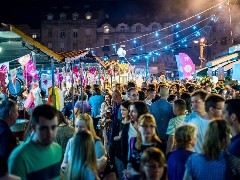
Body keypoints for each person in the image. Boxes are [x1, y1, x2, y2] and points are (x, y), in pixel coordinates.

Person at [8, 104, 62, 179]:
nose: (50, 133)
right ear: (34, 128)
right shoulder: (19, 158)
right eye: (44, 128)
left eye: (53, 127)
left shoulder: (58, 149)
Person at [121, 101, 149, 167]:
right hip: (130, 164)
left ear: (141, 112)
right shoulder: (126, 127)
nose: (130, 114)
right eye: (129, 111)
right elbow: (123, 147)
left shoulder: (149, 127)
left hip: (147, 164)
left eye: (133, 111)